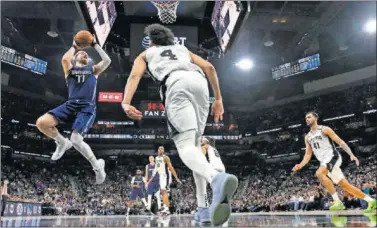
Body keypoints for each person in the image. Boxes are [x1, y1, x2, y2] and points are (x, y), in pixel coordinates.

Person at [121, 23, 238, 226]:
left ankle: (216, 179)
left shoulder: (146, 53)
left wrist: (125, 102)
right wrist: (218, 99)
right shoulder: (183, 49)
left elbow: (135, 75)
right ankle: (203, 209)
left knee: (184, 147)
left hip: (176, 84)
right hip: (201, 85)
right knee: (195, 149)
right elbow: (210, 67)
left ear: (152, 40)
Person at [36, 35, 110, 184]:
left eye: (86, 54)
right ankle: (62, 142)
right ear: (75, 59)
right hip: (70, 104)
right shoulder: (70, 69)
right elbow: (64, 59)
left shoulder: (93, 70)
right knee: (41, 123)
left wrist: (95, 44)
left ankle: (97, 167)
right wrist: (75, 47)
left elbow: (107, 61)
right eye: (81, 53)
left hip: (86, 106)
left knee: (76, 139)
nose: (84, 54)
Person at [292, 111, 376, 213]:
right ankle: (371, 200)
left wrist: (351, 154)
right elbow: (308, 155)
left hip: (333, 157)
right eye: (306, 118)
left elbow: (340, 142)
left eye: (309, 117)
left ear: (316, 118)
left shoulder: (324, 129)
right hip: (324, 161)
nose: (307, 119)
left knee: (319, 173)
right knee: (346, 186)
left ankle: (337, 201)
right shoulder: (307, 137)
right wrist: (300, 165)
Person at [194, 137, 225, 224]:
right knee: (217, 191)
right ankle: (211, 209)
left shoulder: (204, 145)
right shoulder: (214, 148)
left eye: (202, 141)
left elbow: (202, 155)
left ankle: (204, 211)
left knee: (201, 187)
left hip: (211, 168)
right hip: (221, 168)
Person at [147, 146, 181, 215]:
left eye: (162, 149)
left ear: (164, 150)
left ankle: (167, 209)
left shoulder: (166, 157)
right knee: (162, 192)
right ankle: (165, 208)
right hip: (161, 177)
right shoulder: (156, 158)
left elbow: (171, 167)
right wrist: (150, 179)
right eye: (159, 149)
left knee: (164, 191)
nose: (160, 150)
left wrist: (176, 177)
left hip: (166, 176)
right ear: (157, 150)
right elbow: (156, 169)